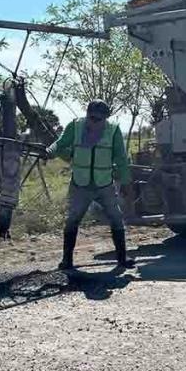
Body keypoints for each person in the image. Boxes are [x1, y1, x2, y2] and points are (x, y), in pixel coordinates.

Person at [46, 99, 135, 271]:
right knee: (73, 220)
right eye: (92, 118)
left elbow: (121, 159)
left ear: (105, 119)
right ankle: (67, 261)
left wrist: (125, 183)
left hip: (104, 184)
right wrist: (50, 151)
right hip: (81, 185)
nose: (94, 122)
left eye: (99, 119)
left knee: (116, 218)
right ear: (87, 115)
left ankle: (122, 260)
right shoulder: (75, 126)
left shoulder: (113, 131)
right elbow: (60, 143)